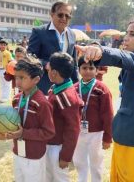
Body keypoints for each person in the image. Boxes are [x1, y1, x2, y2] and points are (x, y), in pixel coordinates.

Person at [76, 19, 134, 182]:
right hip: (127, 133)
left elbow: (122, 57)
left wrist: (100, 51)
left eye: (132, 34)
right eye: (126, 33)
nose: (125, 38)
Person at [5, 56, 55, 182]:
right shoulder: (16, 99)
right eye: (16, 77)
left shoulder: (42, 103)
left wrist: (24, 133)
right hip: (18, 151)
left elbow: (49, 132)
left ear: (36, 79)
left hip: (34, 155)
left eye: (22, 78)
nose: (17, 82)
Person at [72, 56, 113, 182]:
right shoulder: (73, 88)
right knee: (79, 161)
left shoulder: (102, 89)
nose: (88, 71)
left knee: (96, 161)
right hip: (78, 132)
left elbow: (108, 115)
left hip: (97, 133)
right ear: (78, 69)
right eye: (84, 68)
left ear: (97, 70)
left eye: (91, 68)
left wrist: (107, 137)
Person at [45, 52, 83, 182]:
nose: (46, 69)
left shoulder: (65, 96)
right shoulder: (56, 88)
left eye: (48, 68)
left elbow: (73, 129)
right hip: (50, 143)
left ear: (54, 72)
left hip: (57, 148)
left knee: (59, 178)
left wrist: (66, 156)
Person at [29, 1, 79, 95]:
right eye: (60, 15)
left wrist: (76, 86)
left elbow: (74, 63)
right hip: (43, 86)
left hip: (66, 88)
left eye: (67, 16)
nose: (64, 18)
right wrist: (47, 64)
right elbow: (30, 57)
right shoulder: (39, 32)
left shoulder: (72, 34)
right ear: (52, 14)